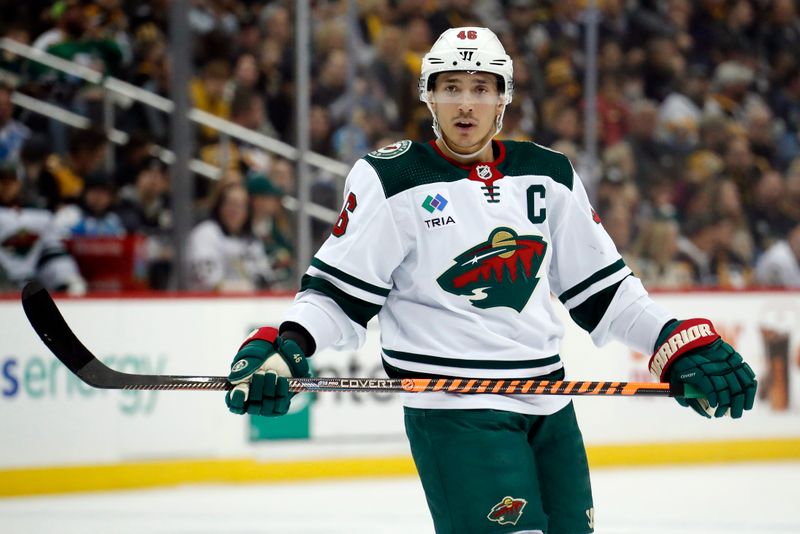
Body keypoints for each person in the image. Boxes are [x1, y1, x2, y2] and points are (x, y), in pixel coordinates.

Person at [223, 28, 757, 534]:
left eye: (481, 88)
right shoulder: (392, 178)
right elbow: (339, 294)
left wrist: (673, 341)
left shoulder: (548, 173)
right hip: (456, 410)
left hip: (550, 404)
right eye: (450, 87)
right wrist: (287, 345)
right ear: (427, 96)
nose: (465, 104)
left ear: (503, 98)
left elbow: (606, 292)